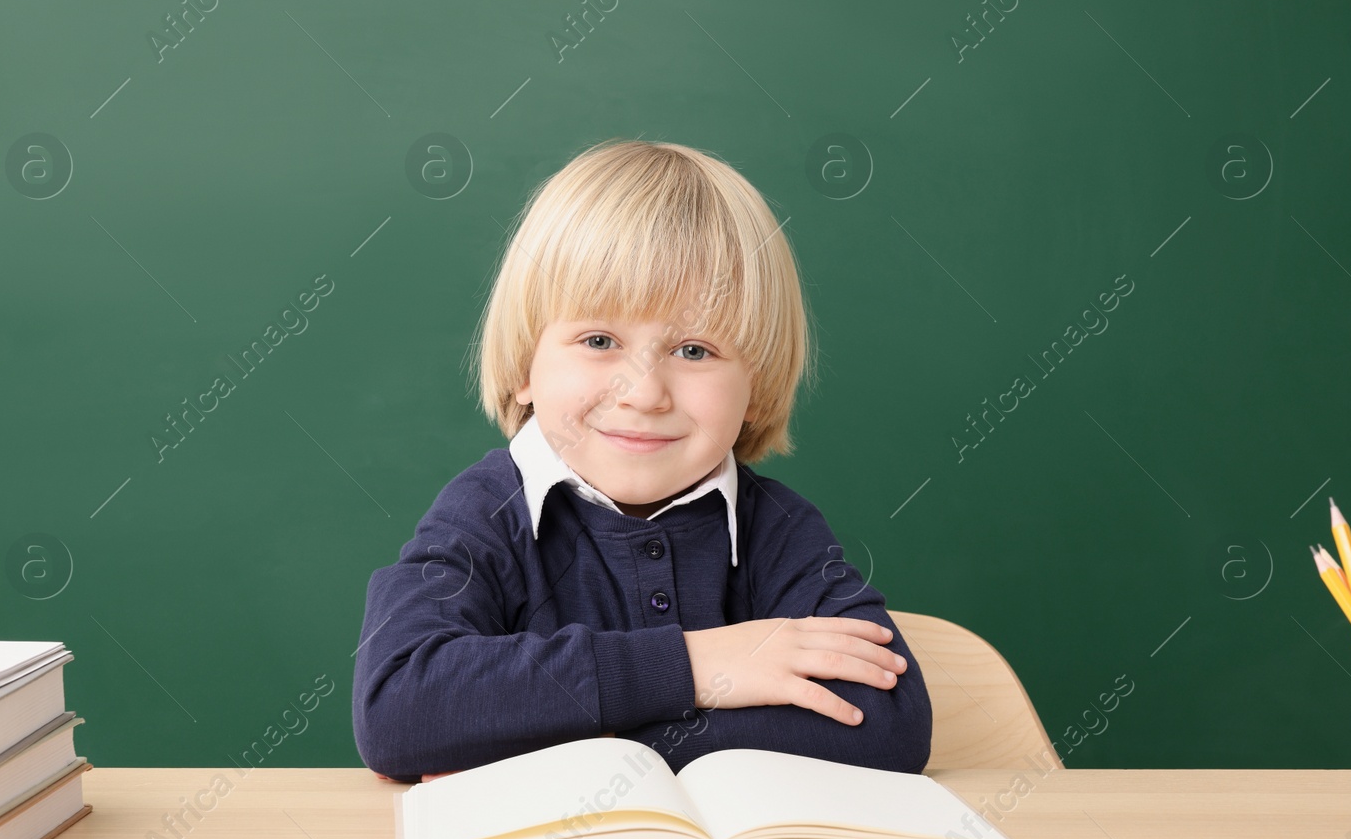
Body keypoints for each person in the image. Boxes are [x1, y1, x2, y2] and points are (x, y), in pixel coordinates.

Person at [352, 138, 931, 783]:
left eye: (693, 351)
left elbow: (887, 723)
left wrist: (537, 733)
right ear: (525, 368)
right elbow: (400, 709)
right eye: (599, 340)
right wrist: (697, 667)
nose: (645, 394)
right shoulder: (487, 513)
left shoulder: (779, 530)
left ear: (756, 390)